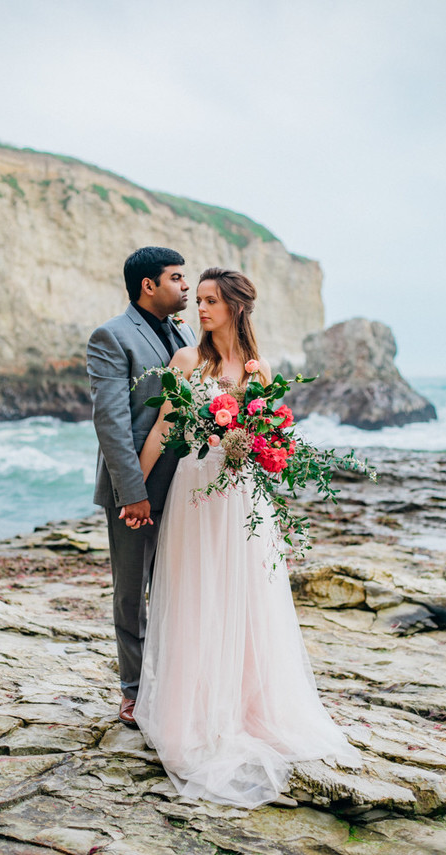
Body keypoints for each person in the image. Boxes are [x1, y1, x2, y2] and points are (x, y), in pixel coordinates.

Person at [131, 267, 362, 808]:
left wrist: (260, 447)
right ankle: (192, 714)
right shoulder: (187, 361)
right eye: (200, 299)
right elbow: (165, 428)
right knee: (195, 594)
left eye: (211, 300)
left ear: (234, 307)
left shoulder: (259, 371)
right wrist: (134, 494)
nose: (201, 308)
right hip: (197, 490)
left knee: (247, 596)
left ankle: (247, 709)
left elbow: (274, 436)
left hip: (244, 496)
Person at [86, 246, 197, 727]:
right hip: (136, 486)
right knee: (132, 592)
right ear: (148, 285)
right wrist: (132, 492)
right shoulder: (111, 337)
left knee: (178, 587)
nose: (186, 286)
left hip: (189, 484)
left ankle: (173, 681)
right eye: (176, 277)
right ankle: (133, 690)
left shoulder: (189, 334)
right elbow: (111, 422)